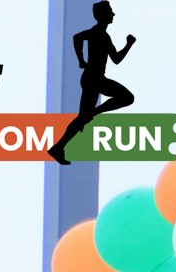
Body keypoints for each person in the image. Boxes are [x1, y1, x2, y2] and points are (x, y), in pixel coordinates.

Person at [51, 1, 137, 161]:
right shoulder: (97, 33)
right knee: (126, 97)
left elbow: (115, 58)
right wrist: (81, 60)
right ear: (103, 15)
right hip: (93, 79)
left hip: (95, 78)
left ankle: (58, 147)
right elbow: (77, 38)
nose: (113, 14)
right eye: (110, 12)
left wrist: (128, 45)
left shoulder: (103, 35)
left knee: (83, 118)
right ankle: (60, 146)